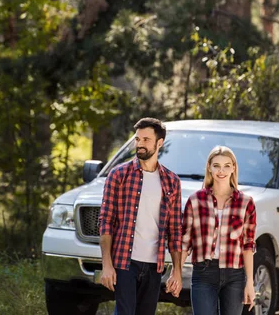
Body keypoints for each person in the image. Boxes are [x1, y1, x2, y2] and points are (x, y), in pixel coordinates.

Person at [98, 117, 182, 315]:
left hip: (154, 265)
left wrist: (177, 270)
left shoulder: (171, 181)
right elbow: (106, 220)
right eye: (137, 139)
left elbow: (175, 229)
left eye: (146, 140)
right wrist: (107, 264)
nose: (140, 144)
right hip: (125, 262)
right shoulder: (119, 175)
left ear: (159, 143)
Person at [180, 146, 256, 315]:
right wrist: (176, 273)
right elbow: (185, 242)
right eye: (216, 166)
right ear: (209, 167)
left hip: (235, 276)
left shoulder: (246, 203)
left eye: (227, 166)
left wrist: (249, 282)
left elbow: (248, 245)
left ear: (234, 168)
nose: (221, 171)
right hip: (204, 273)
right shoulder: (195, 200)